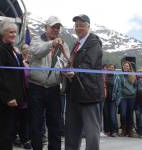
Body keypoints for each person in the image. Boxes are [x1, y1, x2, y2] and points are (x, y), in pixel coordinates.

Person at [28, 16, 70, 150]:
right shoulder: (36, 40)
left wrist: (66, 71)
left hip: (53, 88)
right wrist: (51, 44)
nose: (56, 30)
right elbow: (36, 52)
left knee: (55, 124)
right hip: (36, 87)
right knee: (36, 123)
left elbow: (65, 63)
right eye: (53, 27)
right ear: (46, 27)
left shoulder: (64, 45)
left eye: (58, 27)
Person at [65, 14, 104, 150]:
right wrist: (66, 69)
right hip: (74, 92)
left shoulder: (94, 42)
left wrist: (74, 71)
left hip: (89, 93)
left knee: (91, 131)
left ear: (88, 26)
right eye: (76, 25)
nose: (78, 28)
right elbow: (74, 63)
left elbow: (89, 64)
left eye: (82, 25)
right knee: (71, 129)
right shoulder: (77, 44)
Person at [0, 19, 25, 150]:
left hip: (13, 100)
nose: (14, 35)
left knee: (8, 134)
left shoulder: (13, 50)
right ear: (2, 33)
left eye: (15, 32)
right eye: (10, 32)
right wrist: (8, 97)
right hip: (1, 101)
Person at [119, 61, 137, 137]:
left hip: (131, 97)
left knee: (130, 114)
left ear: (129, 67)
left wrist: (133, 92)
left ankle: (130, 131)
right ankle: (123, 129)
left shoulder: (133, 75)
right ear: (122, 67)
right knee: (123, 114)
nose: (126, 67)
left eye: (127, 66)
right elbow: (119, 86)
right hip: (123, 97)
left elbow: (136, 86)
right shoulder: (120, 75)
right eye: (124, 66)